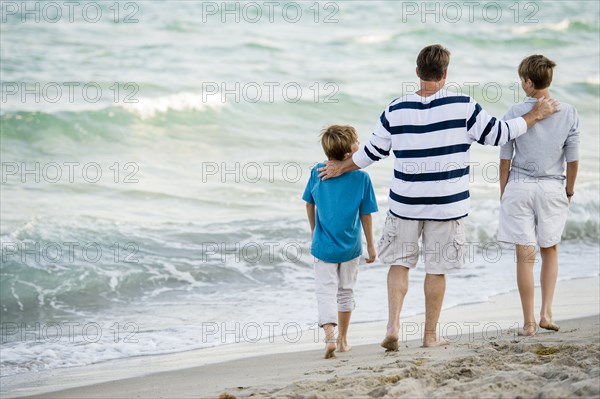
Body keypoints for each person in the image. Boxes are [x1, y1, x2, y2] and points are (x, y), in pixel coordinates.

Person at [318, 44, 560, 351]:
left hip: (405, 204)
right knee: (437, 269)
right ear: (445, 74)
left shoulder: (396, 109)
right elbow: (500, 133)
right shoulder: (464, 106)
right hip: (447, 205)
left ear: (417, 73)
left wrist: (341, 166)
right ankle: (430, 335)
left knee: (399, 264)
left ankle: (393, 325)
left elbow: (370, 153)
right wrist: (536, 114)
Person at [498, 55, 579, 336]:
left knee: (524, 255)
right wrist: (569, 190)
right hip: (552, 186)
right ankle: (546, 313)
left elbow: (505, 158)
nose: (521, 84)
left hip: (519, 185)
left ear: (529, 82)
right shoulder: (568, 112)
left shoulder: (514, 112)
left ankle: (528, 323)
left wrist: (503, 192)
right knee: (550, 249)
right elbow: (573, 159)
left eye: (521, 80)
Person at [303, 124, 378, 359]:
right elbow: (366, 215)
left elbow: (309, 203)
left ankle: (329, 336)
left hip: (323, 246)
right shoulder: (362, 178)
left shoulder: (317, 171)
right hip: (350, 247)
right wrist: (371, 245)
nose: (359, 144)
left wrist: (315, 230)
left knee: (325, 291)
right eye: (356, 142)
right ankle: (343, 340)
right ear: (348, 153)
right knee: (346, 292)